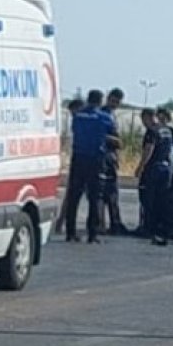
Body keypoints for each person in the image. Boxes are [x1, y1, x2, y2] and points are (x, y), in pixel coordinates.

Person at [63, 90, 116, 243]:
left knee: (74, 196)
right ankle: (92, 234)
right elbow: (111, 134)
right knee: (94, 197)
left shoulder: (77, 116)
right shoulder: (104, 117)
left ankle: (70, 232)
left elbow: (75, 131)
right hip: (96, 159)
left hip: (78, 158)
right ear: (100, 101)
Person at [135, 108, 173, 246]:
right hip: (165, 168)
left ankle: (148, 228)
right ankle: (162, 228)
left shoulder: (152, 131)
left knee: (148, 199)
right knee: (161, 200)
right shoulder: (167, 130)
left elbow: (149, 149)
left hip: (153, 169)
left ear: (147, 117)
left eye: (143, 120)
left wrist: (141, 167)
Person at [55, 98, 85, 235]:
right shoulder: (76, 121)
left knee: (71, 195)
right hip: (77, 160)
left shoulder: (80, 121)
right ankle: (60, 222)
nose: (73, 114)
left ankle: (61, 223)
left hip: (79, 160)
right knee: (70, 195)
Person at [99, 88, 127, 234]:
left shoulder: (112, 115)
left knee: (112, 193)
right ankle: (104, 223)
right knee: (105, 192)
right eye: (114, 101)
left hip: (111, 157)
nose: (115, 104)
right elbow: (100, 135)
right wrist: (116, 141)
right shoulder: (103, 114)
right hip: (104, 157)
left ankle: (114, 223)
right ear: (108, 98)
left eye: (118, 102)